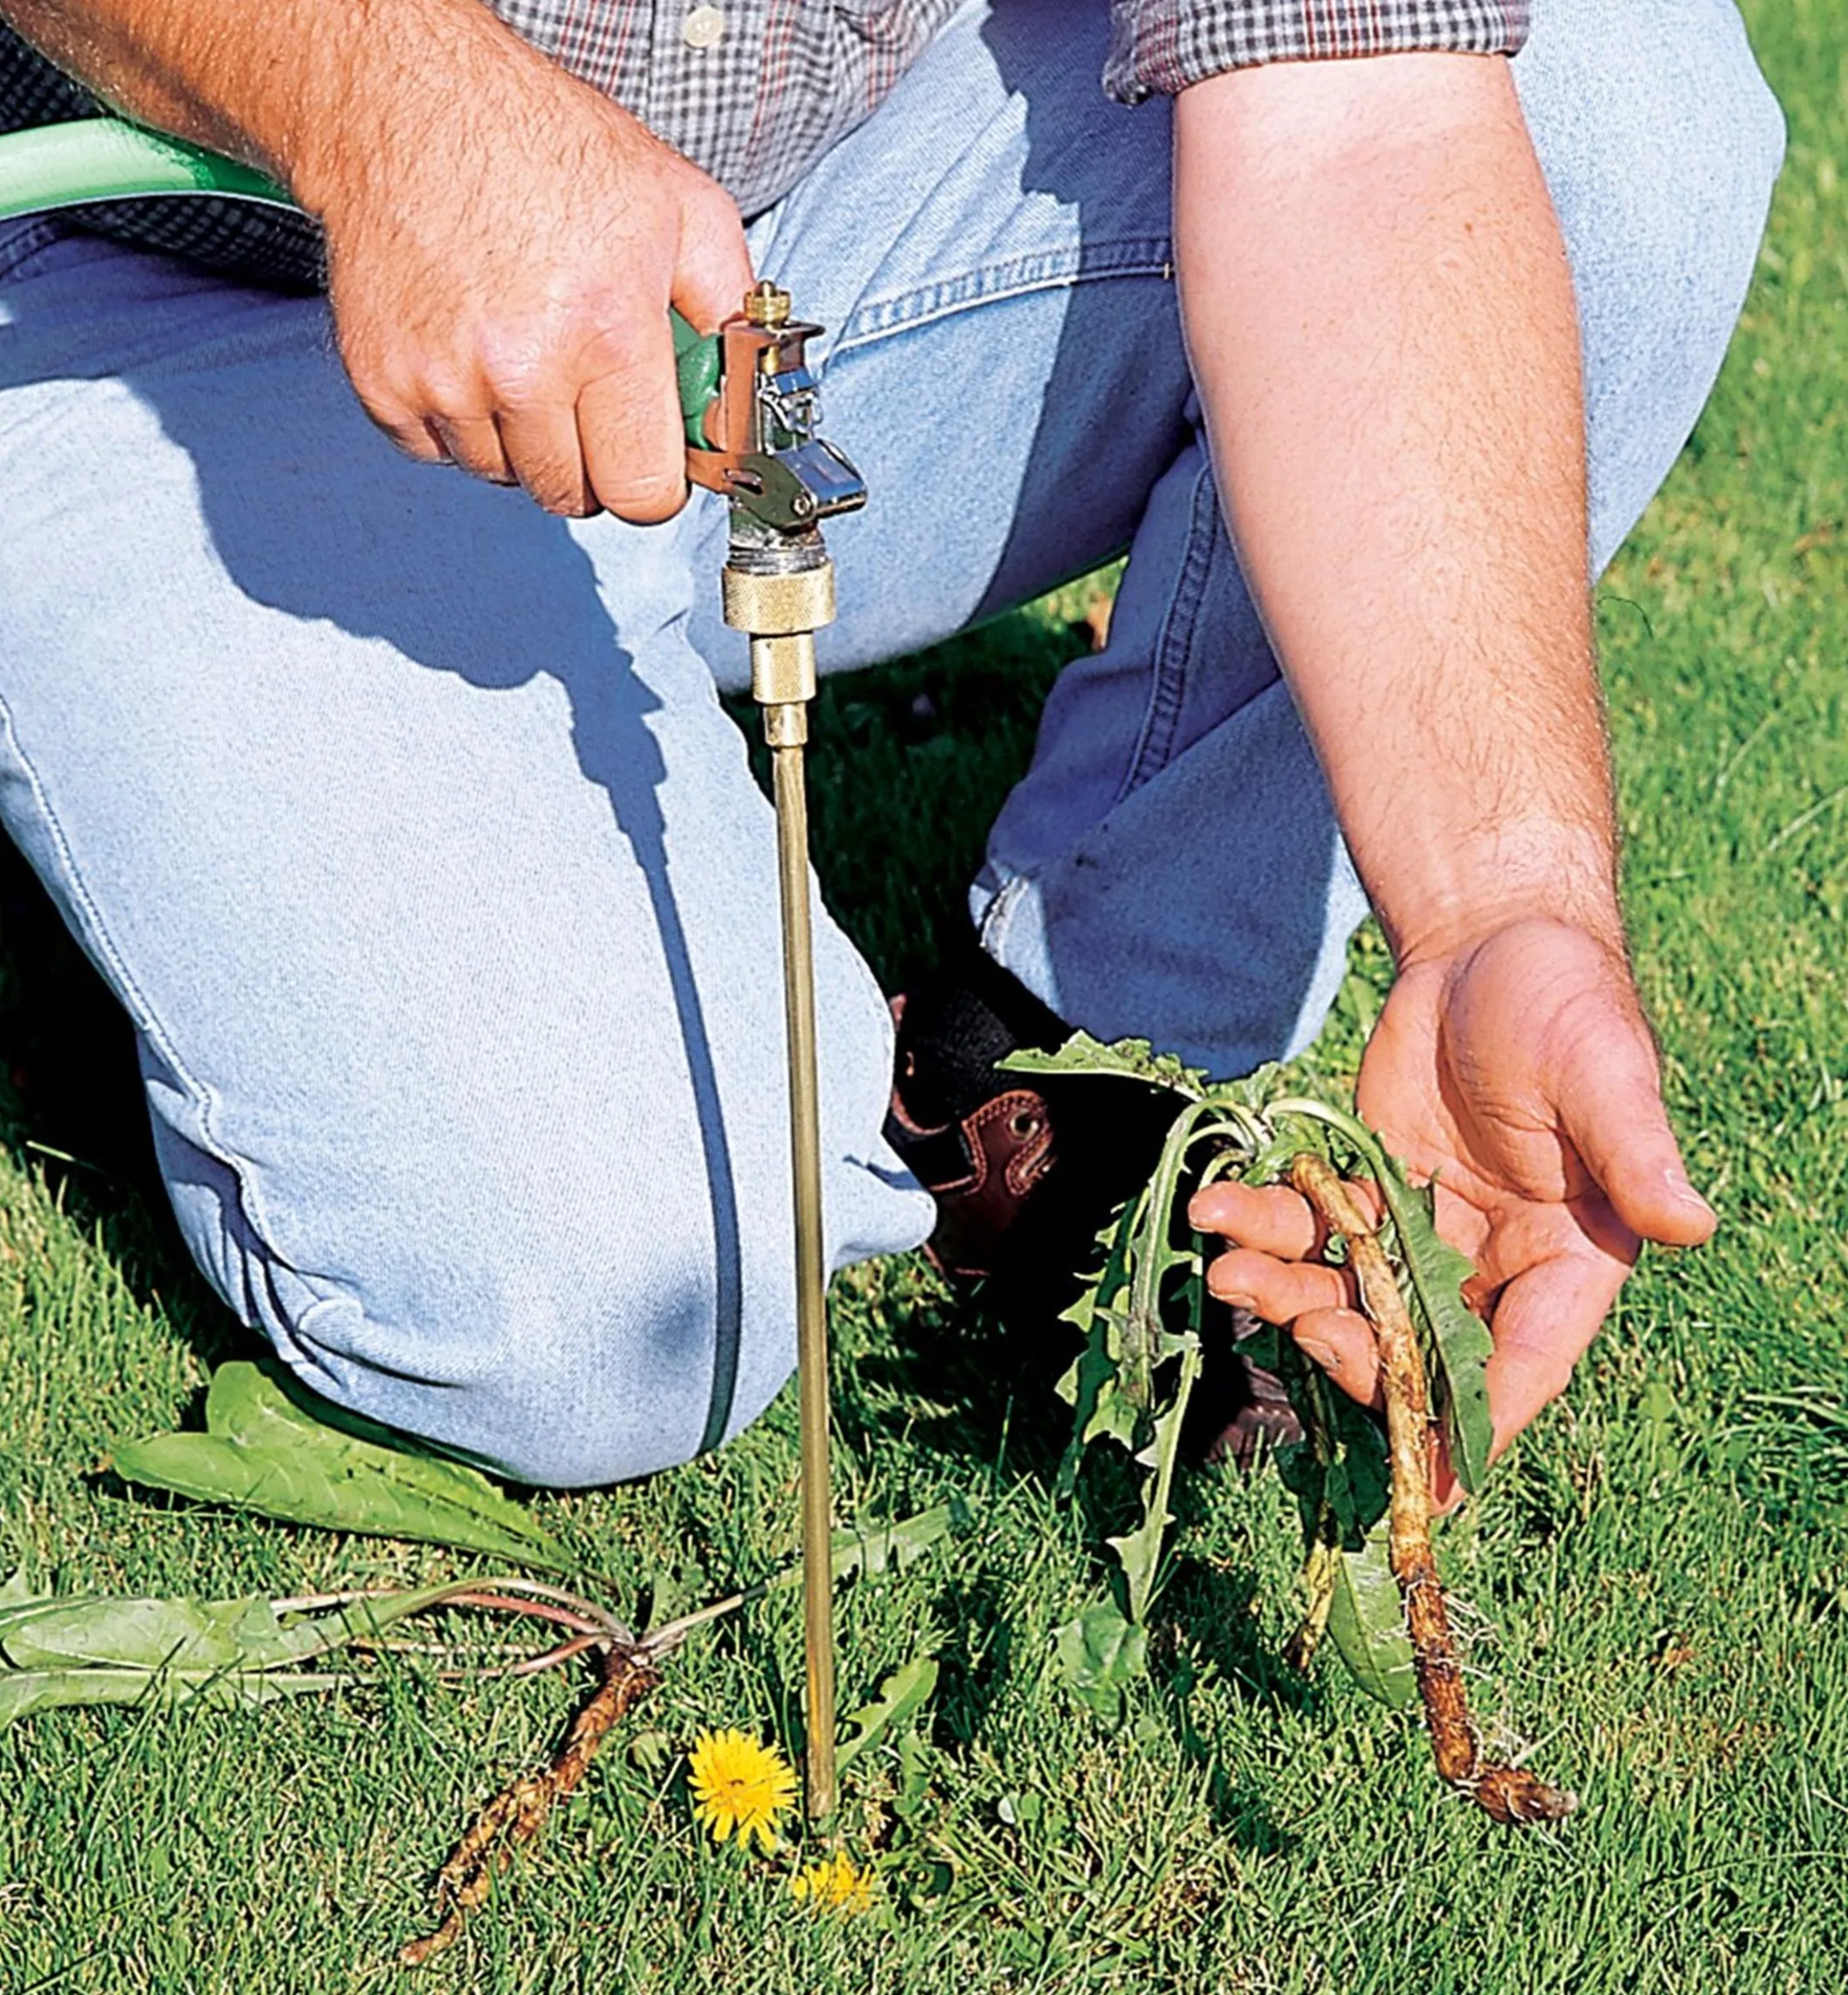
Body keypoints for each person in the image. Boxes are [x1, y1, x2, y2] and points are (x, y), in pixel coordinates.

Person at [0, 1, 1782, 1488]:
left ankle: (1067, 1074)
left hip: (778, 243)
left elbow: (1360, 133)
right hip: (136, 273)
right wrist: (386, 100)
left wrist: (1492, 901)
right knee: (620, 1305)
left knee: (1601, 114)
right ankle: (184, 825)